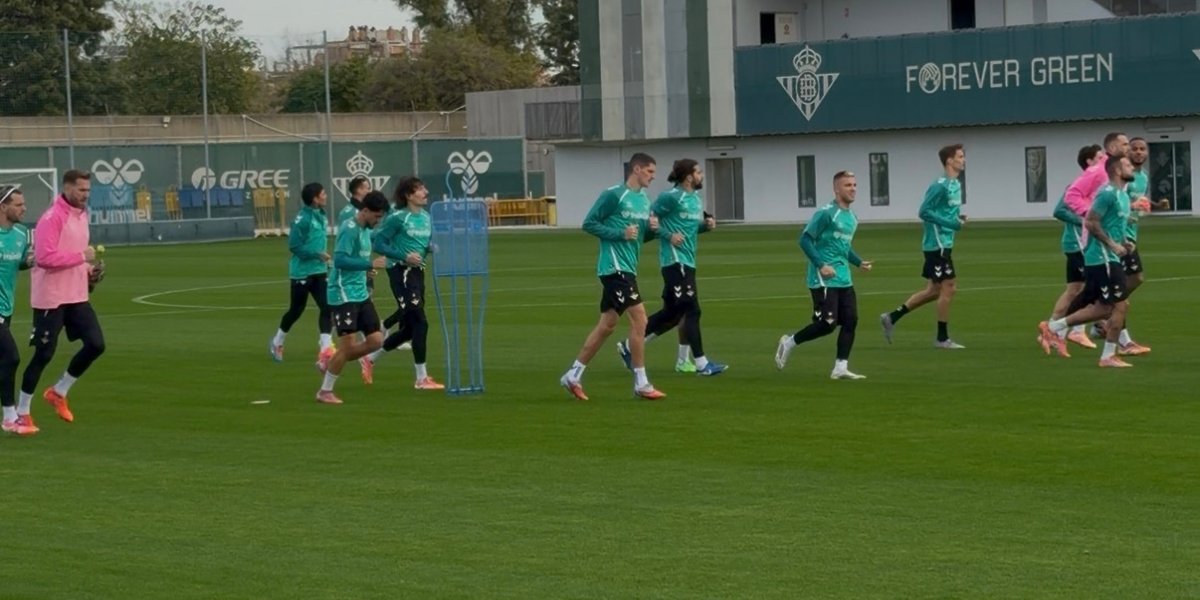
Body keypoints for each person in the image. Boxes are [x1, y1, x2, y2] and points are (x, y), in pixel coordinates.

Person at [560, 153, 665, 401]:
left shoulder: (644, 200)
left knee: (607, 326)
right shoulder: (614, 195)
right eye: (650, 171)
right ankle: (641, 383)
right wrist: (619, 232)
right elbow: (589, 223)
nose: (653, 177)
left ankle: (573, 375)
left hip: (628, 267)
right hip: (614, 267)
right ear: (637, 169)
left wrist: (652, 231)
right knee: (640, 320)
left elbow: (637, 236)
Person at [617, 159, 726, 376]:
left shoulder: (695, 199)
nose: (701, 175)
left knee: (673, 313)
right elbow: (650, 220)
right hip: (675, 261)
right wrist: (668, 235)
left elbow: (689, 229)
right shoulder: (670, 197)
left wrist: (705, 227)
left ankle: (629, 346)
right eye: (698, 172)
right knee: (692, 310)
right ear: (688, 177)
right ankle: (702, 363)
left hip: (688, 261)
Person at [20, 169, 106, 424]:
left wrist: (90, 271)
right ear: (67, 188)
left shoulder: (82, 215)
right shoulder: (51, 218)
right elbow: (45, 259)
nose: (85, 195)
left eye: (88, 190)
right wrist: (82, 258)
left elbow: (74, 253)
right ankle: (22, 413)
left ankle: (59, 391)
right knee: (43, 355)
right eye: (81, 190)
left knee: (96, 344)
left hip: (77, 295)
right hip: (51, 298)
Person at [1039, 155, 1136, 368]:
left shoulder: (1123, 196)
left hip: (1109, 258)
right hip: (1102, 259)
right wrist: (1112, 244)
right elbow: (1091, 222)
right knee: (1119, 306)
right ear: (1118, 170)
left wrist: (1124, 241)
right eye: (1128, 165)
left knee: (1105, 308)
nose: (1133, 167)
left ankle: (1054, 327)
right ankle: (1108, 356)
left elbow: (1113, 225)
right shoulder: (1107, 193)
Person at [776, 171, 873, 378]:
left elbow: (843, 246)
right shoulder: (827, 213)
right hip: (824, 278)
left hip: (843, 277)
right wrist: (821, 265)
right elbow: (805, 239)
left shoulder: (852, 217)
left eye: (855, 184)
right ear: (836, 189)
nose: (853, 188)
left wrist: (858, 262)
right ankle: (789, 342)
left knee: (850, 320)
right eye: (848, 185)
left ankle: (840, 367)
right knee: (828, 324)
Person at [880, 144, 966, 349]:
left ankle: (891, 317)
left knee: (934, 290)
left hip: (945, 243)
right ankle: (942, 338)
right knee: (950, 287)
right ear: (949, 161)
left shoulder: (955, 184)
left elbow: (945, 212)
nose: (964, 160)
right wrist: (951, 223)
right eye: (960, 156)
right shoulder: (939, 185)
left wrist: (957, 218)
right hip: (936, 245)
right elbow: (924, 211)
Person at [363, 176, 443, 390]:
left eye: (424, 187)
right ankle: (421, 378)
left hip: (418, 273)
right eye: (419, 189)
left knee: (409, 329)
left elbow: (423, 244)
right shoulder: (398, 218)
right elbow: (379, 243)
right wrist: (403, 256)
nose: (425, 191)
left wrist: (430, 248)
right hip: (402, 272)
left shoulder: (426, 217)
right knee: (421, 322)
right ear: (408, 195)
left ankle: (370, 359)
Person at [316, 191, 389, 404]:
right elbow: (339, 261)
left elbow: (358, 259)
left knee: (376, 340)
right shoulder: (349, 229)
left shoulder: (366, 230)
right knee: (347, 346)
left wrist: (367, 271)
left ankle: (330, 360)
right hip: (343, 293)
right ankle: (325, 391)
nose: (377, 221)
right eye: (376, 217)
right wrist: (369, 265)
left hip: (360, 292)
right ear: (365, 211)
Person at [1095, 136, 1166, 355]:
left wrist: (1155, 205)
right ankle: (1118, 337)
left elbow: (1136, 203)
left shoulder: (1142, 177)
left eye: (1141, 149)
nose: (1137, 152)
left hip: (1130, 235)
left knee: (1134, 280)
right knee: (1123, 291)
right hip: (1118, 237)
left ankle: (1103, 314)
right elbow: (1118, 201)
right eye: (1133, 148)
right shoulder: (1120, 175)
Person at [1044, 144, 1104, 353]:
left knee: (1074, 291)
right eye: (1099, 157)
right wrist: (1084, 221)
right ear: (1089, 162)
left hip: (1087, 243)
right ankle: (1075, 330)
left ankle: (1052, 329)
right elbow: (1059, 210)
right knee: (1088, 288)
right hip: (1077, 243)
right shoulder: (1078, 185)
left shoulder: (1100, 186)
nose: (1104, 160)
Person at [270, 182, 334, 366]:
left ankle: (325, 348)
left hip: (319, 270)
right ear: (315, 198)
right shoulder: (302, 219)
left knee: (327, 307)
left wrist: (324, 260)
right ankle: (277, 341)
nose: (326, 196)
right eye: (323, 194)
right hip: (302, 273)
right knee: (296, 310)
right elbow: (294, 246)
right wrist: (317, 254)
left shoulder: (321, 215)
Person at [0, 187, 36, 435]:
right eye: (18, 204)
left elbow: (22, 262)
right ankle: (10, 417)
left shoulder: (22, 234)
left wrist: (32, 261)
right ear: (3, 206)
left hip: (7, 307)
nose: (24, 208)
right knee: (11, 357)